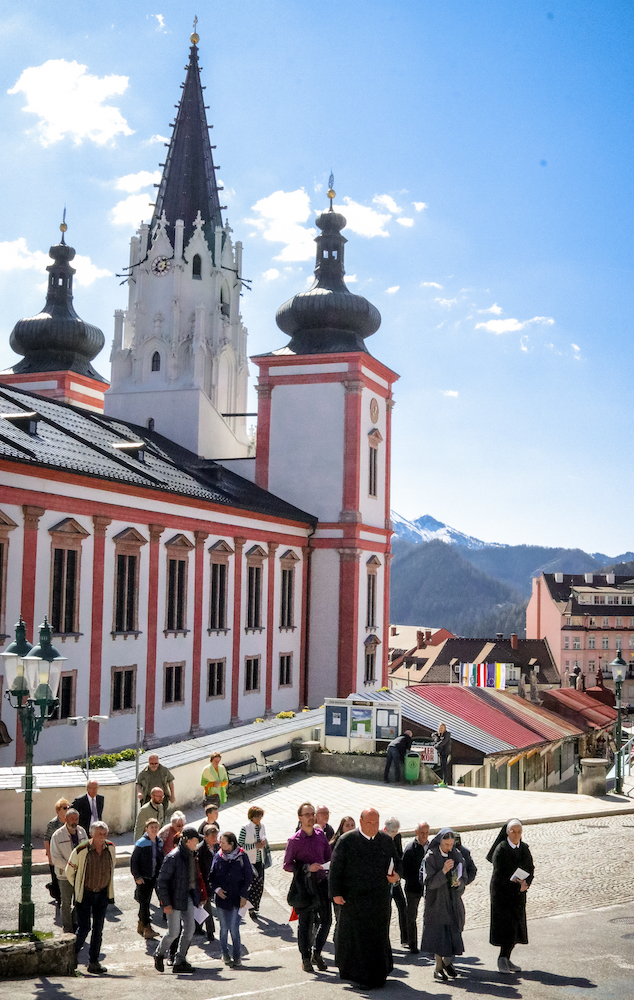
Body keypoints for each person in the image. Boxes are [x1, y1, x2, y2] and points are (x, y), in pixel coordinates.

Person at [330, 807, 400, 989]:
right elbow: (336, 869)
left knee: (378, 937)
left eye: (376, 823)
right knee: (358, 939)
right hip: (355, 900)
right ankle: (359, 976)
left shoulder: (385, 840)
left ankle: (379, 974)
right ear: (360, 822)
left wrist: (396, 876)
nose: (373, 826)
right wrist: (336, 893)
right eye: (369, 823)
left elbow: (397, 863)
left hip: (379, 899)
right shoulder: (347, 840)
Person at [283, 801, 332, 973]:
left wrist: (328, 867)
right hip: (304, 887)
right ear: (300, 818)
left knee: (326, 920)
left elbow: (328, 857)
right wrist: (306, 868)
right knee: (305, 923)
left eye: (313, 814)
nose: (311, 817)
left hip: (322, 883)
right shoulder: (294, 840)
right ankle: (305, 957)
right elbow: (287, 865)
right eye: (307, 815)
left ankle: (317, 952)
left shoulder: (320, 835)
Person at [65, 820, 116, 975]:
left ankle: (93, 962)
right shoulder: (81, 850)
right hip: (85, 894)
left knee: (98, 929)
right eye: (99, 834)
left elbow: (112, 867)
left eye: (105, 834)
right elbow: (69, 871)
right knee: (84, 928)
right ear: (91, 834)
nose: (103, 837)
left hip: (102, 894)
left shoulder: (110, 847)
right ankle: (70, 958)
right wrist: (78, 886)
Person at [487, 818, 534, 974]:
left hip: (518, 895)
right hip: (502, 895)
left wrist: (526, 883)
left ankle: (507, 958)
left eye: (519, 832)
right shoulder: (501, 849)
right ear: (507, 832)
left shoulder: (524, 848)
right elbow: (499, 875)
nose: (516, 835)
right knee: (505, 927)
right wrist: (517, 886)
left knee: (515, 928)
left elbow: (530, 868)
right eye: (513, 831)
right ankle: (502, 958)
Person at [154, 825, 203, 974]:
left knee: (190, 929)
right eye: (196, 841)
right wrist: (166, 903)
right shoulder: (173, 857)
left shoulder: (192, 855)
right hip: (174, 900)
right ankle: (159, 953)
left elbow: (194, 878)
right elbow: (162, 882)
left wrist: (199, 896)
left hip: (187, 896)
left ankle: (180, 960)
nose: (197, 844)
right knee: (173, 932)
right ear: (188, 841)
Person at [420, 827, 466, 982]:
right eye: (446, 844)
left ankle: (447, 963)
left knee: (453, 933)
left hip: (452, 901)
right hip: (437, 903)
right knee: (439, 936)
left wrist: (459, 883)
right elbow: (429, 883)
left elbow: (464, 875)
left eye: (451, 844)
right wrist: (444, 871)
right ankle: (438, 968)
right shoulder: (431, 857)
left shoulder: (456, 854)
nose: (449, 848)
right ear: (440, 842)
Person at [209, 831, 254, 968]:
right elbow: (212, 877)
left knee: (234, 928)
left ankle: (237, 956)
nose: (220, 845)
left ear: (231, 844)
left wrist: (243, 896)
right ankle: (225, 953)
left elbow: (248, 877)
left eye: (223, 842)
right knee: (224, 928)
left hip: (237, 899)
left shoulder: (242, 856)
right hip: (221, 900)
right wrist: (217, 889)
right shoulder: (218, 856)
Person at [50, 807, 87, 933]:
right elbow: (55, 858)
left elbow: (86, 849)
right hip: (64, 875)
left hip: (79, 874)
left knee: (79, 900)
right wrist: (70, 866)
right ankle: (67, 928)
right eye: (72, 819)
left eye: (76, 819)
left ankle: (75, 923)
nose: (74, 821)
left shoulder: (82, 832)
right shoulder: (57, 835)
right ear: (66, 819)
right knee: (66, 902)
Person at [131, 818, 164, 940]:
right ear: (146, 829)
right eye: (151, 827)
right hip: (144, 878)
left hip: (154, 877)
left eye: (156, 827)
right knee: (144, 903)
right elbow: (134, 861)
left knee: (145, 903)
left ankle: (141, 926)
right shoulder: (141, 843)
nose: (154, 829)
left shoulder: (159, 842)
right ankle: (147, 928)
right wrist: (137, 877)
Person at [403, 820, 430, 952]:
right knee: (411, 916)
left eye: (426, 833)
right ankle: (412, 944)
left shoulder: (432, 847)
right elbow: (404, 871)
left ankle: (430, 944)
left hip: (429, 887)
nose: (424, 836)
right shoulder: (410, 849)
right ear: (416, 832)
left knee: (430, 915)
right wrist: (416, 879)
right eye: (422, 833)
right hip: (413, 888)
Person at [238, 805, 268, 920]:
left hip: (260, 859)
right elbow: (240, 846)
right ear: (252, 817)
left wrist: (264, 842)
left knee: (260, 884)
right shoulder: (245, 828)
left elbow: (263, 837)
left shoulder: (262, 826)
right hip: (249, 861)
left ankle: (255, 906)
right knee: (252, 885)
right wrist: (255, 845)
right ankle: (251, 908)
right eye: (257, 817)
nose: (259, 819)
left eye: (260, 817)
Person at [383, 817, 408, 947]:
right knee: (386, 910)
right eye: (393, 832)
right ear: (386, 829)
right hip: (384, 881)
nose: (395, 834)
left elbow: (399, 856)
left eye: (397, 831)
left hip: (395, 879)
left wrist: (398, 874)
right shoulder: (380, 838)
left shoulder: (397, 837)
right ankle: (384, 940)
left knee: (402, 906)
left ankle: (405, 938)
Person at [195, 824, 219, 940]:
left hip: (215, 881)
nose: (215, 838)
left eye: (216, 836)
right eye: (212, 836)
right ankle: (210, 931)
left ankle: (197, 927)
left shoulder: (218, 847)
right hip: (204, 882)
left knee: (202, 907)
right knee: (207, 907)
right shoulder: (200, 850)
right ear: (205, 836)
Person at [45, 798, 70, 904]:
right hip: (56, 854)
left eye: (68, 807)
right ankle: (58, 897)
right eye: (65, 808)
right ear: (58, 810)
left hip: (67, 853)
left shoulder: (70, 821)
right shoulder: (53, 823)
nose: (67, 809)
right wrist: (49, 856)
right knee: (56, 878)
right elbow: (47, 839)